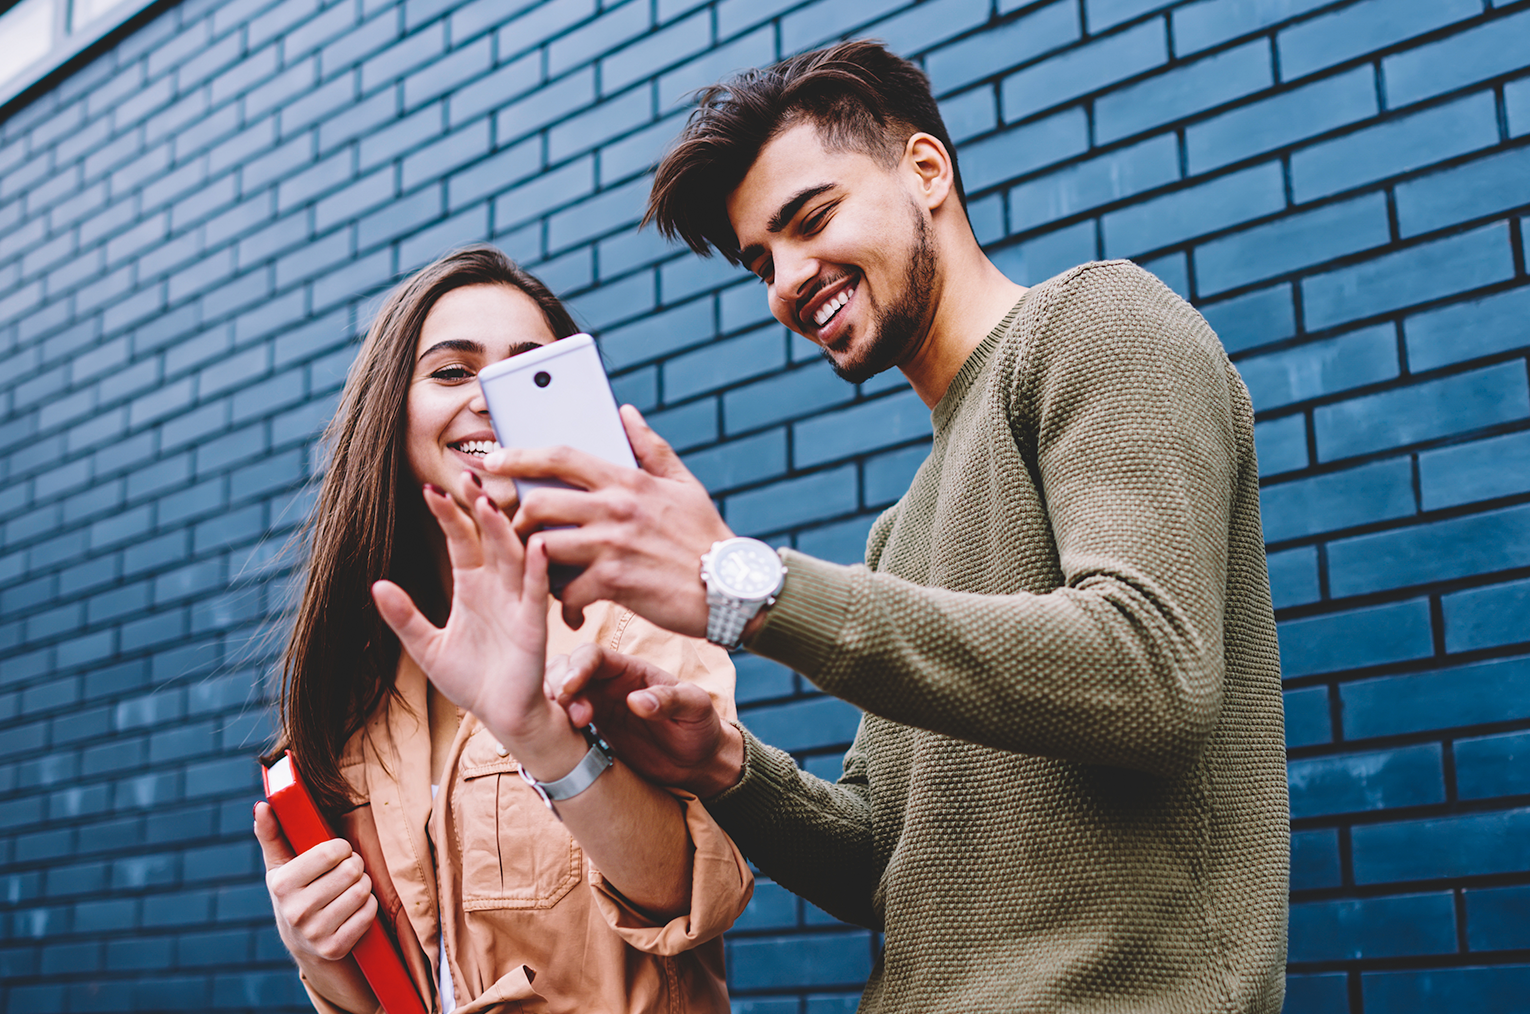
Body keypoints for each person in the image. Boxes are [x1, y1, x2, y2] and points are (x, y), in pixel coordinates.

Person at [486, 41, 1288, 1013]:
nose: (786, 279)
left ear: (925, 168)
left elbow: (1152, 674)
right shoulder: (896, 533)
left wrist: (743, 585)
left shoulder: (1094, 324)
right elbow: (884, 865)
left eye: (809, 218)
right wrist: (725, 770)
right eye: (759, 260)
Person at [252, 246, 752, 1014]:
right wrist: (318, 953)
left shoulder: (634, 612)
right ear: (393, 410)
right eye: (451, 371)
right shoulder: (356, 679)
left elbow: (690, 892)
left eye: (525, 372)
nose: (486, 395)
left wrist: (542, 739)